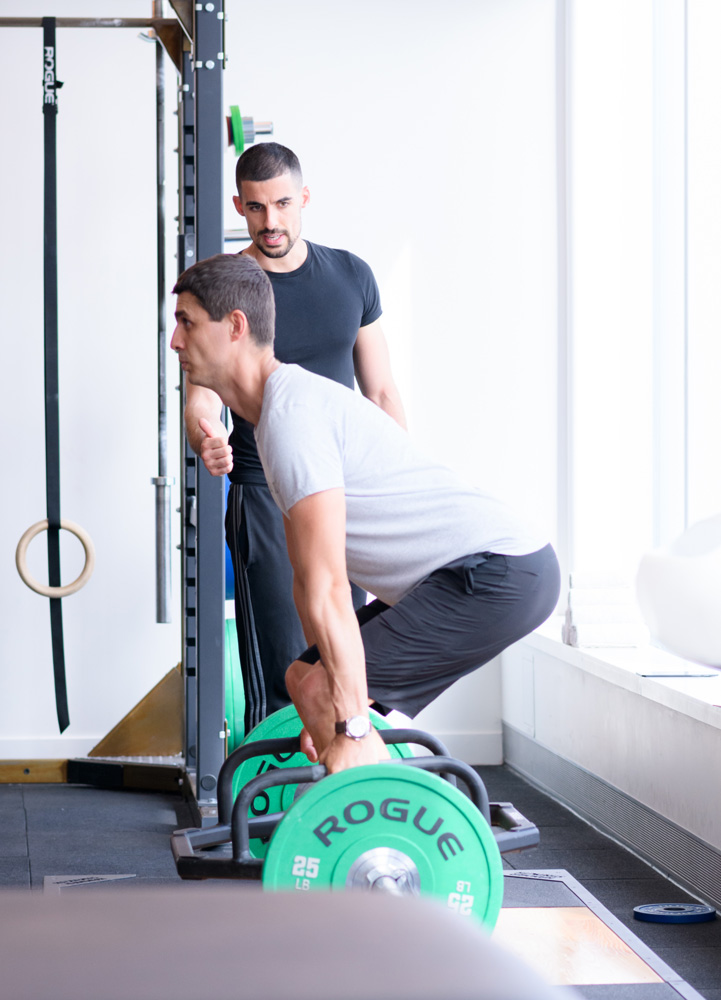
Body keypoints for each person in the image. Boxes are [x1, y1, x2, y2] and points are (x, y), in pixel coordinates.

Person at [171, 253, 561, 774]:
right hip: (472, 573)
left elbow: (330, 586)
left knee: (324, 692)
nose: (175, 341)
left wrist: (350, 721)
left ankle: (378, 809)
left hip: (498, 573)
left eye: (187, 322)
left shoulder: (293, 419)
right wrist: (330, 704)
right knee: (303, 679)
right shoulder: (275, 418)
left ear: (235, 327)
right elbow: (304, 580)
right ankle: (360, 800)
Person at [183, 142, 406, 736]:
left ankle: (341, 777)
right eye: (256, 208)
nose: (271, 221)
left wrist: (401, 478)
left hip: (343, 491)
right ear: (239, 206)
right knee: (284, 662)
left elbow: (382, 392)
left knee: (343, 654)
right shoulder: (223, 287)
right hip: (264, 488)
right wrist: (207, 433)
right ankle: (273, 789)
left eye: (282, 204)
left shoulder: (352, 276)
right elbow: (201, 391)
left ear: (304, 198)